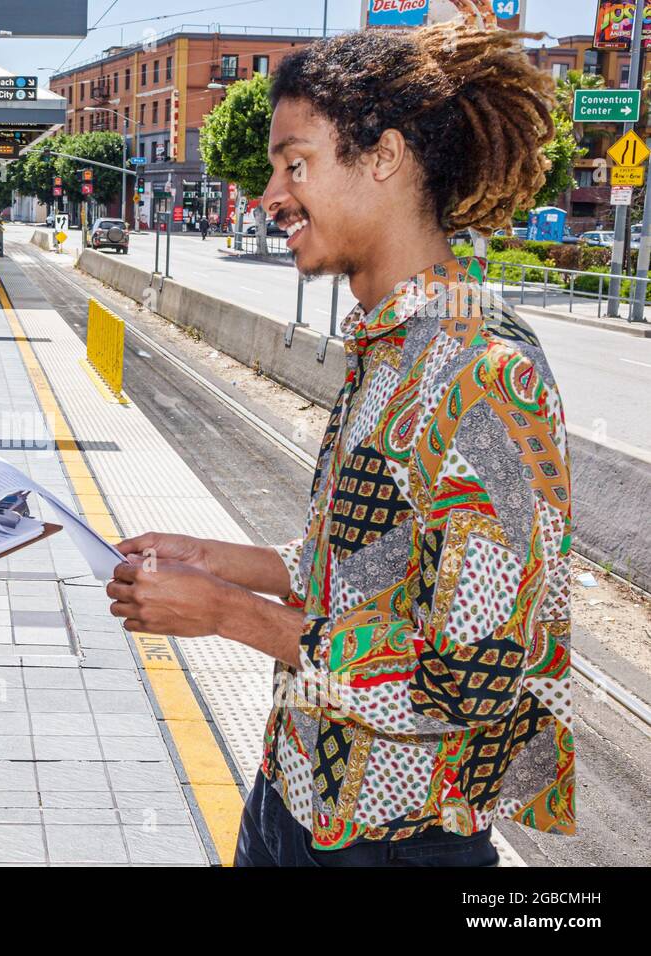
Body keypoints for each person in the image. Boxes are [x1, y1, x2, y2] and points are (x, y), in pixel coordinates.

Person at [107, 4, 575, 867]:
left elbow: (473, 679)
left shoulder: (483, 372)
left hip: (392, 842)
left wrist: (227, 615)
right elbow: (372, 571)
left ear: (385, 158)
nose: (270, 194)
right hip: (295, 797)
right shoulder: (390, 347)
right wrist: (217, 561)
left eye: (296, 164)